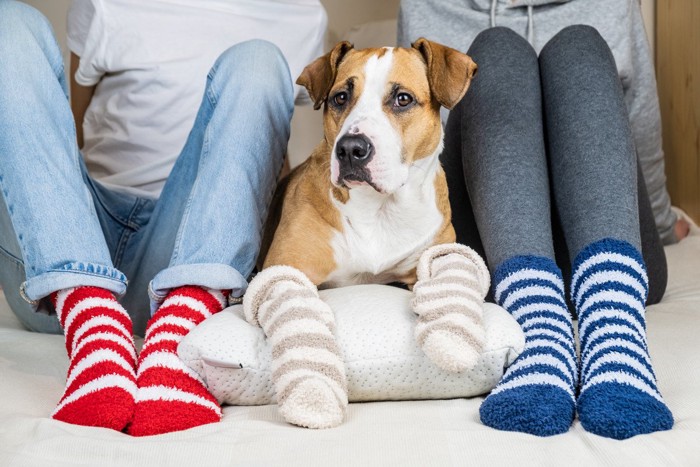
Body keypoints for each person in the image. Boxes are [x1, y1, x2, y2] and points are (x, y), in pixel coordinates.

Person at [0, 0, 325, 436]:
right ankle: (89, 313)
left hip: (188, 250)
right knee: (8, 20)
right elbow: (56, 132)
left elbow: (262, 152)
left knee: (260, 60)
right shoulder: (104, 6)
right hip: (71, 238)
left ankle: (181, 323)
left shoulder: (301, 14)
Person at [398, 1, 674, 439]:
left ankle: (613, 314)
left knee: (581, 42)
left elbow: (638, 114)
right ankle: (537, 318)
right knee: (494, 50)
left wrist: (659, 216)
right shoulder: (425, 4)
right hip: (493, 236)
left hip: (605, 229)